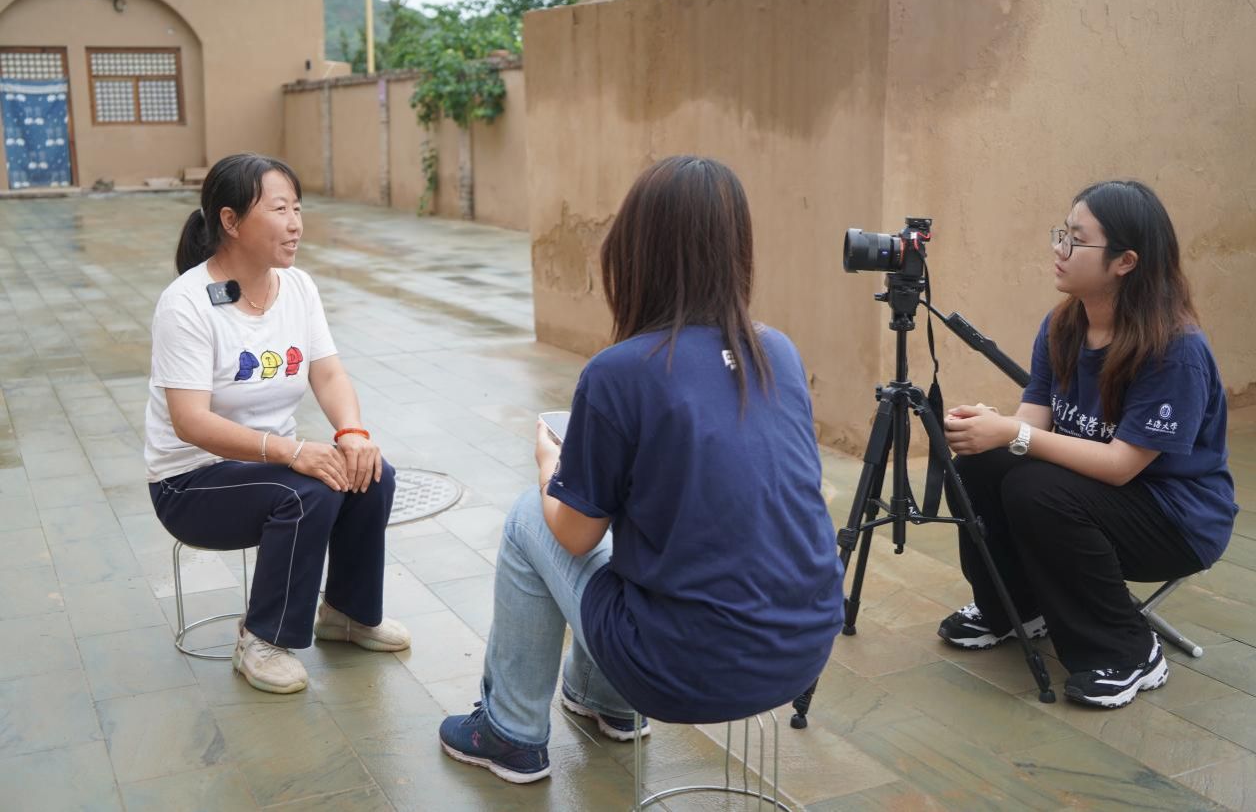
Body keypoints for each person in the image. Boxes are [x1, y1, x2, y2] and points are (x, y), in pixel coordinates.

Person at [437, 155, 844, 784]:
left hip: (678, 670)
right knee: (644, 532)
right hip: (805, 647)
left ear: (635, 251)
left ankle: (510, 732)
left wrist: (550, 464)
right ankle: (604, 703)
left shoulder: (620, 372)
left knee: (528, 518)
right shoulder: (776, 353)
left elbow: (575, 536)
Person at [938, 180, 1237, 708]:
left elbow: (1121, 466)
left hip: (1176, 519)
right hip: (1095, 494)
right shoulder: (1064, 325)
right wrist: (992, 430)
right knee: (979, 466)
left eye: (1076, 240)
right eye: (1062, 234)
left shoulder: (1174, 349)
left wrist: (1014, 434)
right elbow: (1032, 421)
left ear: (1125, 261)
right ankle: (1014, 608)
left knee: (1036, 488)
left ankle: (1129, 651)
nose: (1059, 249)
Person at [145, 153, 410, 694]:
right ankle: (261, 639)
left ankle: (348, 614)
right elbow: (190, 422)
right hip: (191, 482)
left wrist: (352, 432)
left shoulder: (299, 287)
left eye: (298, 209)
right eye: (280, 209)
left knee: (372, 474)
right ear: (230, 220)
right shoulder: (186, 304)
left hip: (269, 466)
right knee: (306, 492)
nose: (295, 224)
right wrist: (292, 452)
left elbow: (328, 372)